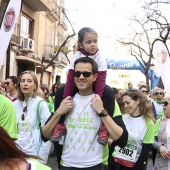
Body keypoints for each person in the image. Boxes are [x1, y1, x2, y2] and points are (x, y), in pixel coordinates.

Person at [42, 57, 128, 170]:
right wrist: (58, 112)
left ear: (95, 77)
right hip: (66, 164)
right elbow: (45, 135)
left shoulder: (106, 100)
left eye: (86, 74)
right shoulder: (65, 99)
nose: (81, 77)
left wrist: (102, 112)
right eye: (77, 74)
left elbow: (122, 140)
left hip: (96, 165)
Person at [51, 27, 114, 146]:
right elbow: (70, 79)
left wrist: (98, 97)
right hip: (79, 84)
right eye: (88, 42)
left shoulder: (100, 58)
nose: (93, 45)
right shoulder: (76, 56)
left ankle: (104, 127)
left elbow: (100, 80)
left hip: (95, 86)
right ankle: (60, 124)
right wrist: (67, 96)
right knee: (60, 91)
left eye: (95, 41)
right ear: (80, 44)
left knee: (108, 91)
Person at [109, 89, 155, 170]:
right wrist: (110, 162)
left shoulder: (148, 123)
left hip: (134, 166)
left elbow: (145, 152)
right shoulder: (122, 118)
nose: (125, 106)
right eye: (124, 103)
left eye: (128, 103)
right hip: (115, 163)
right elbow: (115, 143)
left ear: (137, 101)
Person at [13, 70, 51, 164]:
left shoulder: (41, 104)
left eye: (29, 81)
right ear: (19, 84)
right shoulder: (14, 105)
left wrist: (41, 159)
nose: (25, 84)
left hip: (34, 155)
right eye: (23, 81)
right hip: (17, 155)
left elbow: (47, 134)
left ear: (35, 86)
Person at [153, 96, 170, 170]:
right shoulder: (159, 121)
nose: (163, 105)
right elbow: (151, 140)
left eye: (166, 103)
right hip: (162, 163)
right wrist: (160, 146)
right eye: (163, 103)